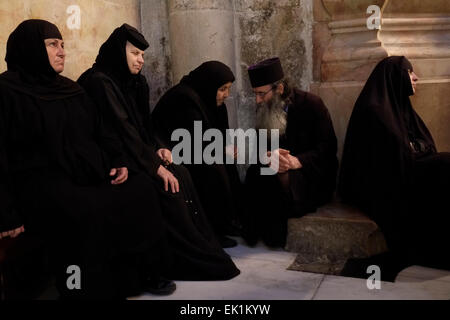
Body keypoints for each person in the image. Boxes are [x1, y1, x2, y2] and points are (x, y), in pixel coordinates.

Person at [0, 19, 176, 299]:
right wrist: (6, 213)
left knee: (141, 188)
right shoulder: (6, 92)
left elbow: (102, 131)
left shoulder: (70, 89)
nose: (62, 51)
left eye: (62, 45)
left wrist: (117, 160)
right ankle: (89, 289)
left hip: (82, 174)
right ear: (30, 48)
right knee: (85, 210)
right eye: (52, 45)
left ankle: (141, 274)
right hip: (35, 184)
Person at [78, 24, 239, 280]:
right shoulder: (99, 81)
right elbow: (122, 128)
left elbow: (144, 126)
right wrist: (154, 166)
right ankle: (177, 258)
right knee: (166, 184)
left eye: (143, 55)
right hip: (112, 157)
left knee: (181, 174)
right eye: (135, 53)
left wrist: (159, 148)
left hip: (135, 150)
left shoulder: (136, 82)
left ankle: (202, 243)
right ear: (119, 52)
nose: (141, 60)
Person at [339, 56, 450, 281]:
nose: (416, 77)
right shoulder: (375, 110)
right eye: (410, 73)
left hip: (407, 172)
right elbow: (386, 162)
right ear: (396, 76)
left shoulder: (399, 106)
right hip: (382, 185)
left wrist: (415, 151)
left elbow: (418, 147)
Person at [243, 57, 338, 247]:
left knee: (282, 176)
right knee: (255, 173)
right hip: (276, 166)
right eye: (255, 94)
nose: (258, 100)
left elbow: (328, 148)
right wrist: (268, 156)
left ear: (279, 88)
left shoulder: (312, 104)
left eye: (261, 94)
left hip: (310, 170)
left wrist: (296, 161)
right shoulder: (264, 108)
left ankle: (273, 232)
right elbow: (260, 148)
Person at [151, 61, 243, 248]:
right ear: (209, 85)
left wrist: (224, 149)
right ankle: (211, 229)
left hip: (195, 150)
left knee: (227, 164)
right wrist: (218, 150)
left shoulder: (209, 100)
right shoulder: (183, 98)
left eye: (228, 89)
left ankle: (227, 221)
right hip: (171, 153)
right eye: (222, 89)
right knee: (211, 169)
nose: (226, 95)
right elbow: (191, 139)